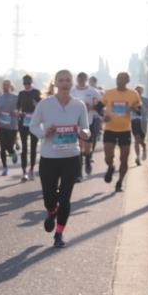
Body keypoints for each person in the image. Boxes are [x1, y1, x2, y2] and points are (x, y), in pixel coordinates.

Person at [29, 69, 91, 248]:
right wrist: (44, 133)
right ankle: (51, 210)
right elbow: (33, 126)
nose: (64, 83)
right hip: (49, 157)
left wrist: (83, 133)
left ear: (71, 84)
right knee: (49, 197)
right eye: (61, 80)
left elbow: (86, 129)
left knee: (65, 198)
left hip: (71, 157)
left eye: (67, 80)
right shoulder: (45, 104)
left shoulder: (79, 105)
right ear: (55, 83)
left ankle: (59, 234)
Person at [100, 72, 143, 192]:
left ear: (127, 81)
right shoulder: (109, 93)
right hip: (109, 129)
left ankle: (119, 182)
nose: (119, 81)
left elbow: (140, 110)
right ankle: (110, 166)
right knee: (109, 156)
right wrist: (103, 116)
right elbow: (98, 106)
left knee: (124, 158)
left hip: (125, 130)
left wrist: (133, 108)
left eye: (123, 79)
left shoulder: (133, 94)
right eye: (118, 78)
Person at [70, 72, 102, 178]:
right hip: (75, 123)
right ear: (77, 79)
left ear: (86, 79)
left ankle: (87, 159)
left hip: (89, 122)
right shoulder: (72, 91)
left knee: (87, 148)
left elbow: (100, 107)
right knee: (78, 147)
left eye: (83, 79)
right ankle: (78, 173)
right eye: (79, 79)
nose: (81, 81)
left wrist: (91, 108)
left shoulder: (93, 92)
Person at [16, 75, 42, 181]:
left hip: (34, 120)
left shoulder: (36, 92)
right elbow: (18, 106)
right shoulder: (21, 93)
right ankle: (24, 171)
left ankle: (31, 169)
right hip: (23, 121)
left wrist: (37, 107)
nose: (27, 85)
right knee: (24, 147)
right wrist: (18, 112)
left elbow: (40, 104)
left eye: (28, 83)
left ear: (31, 83)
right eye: (25, 84)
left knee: (33, 147)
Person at [0, 79, 20, 176]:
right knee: (2, 147)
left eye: (7, 85)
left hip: (12, 126)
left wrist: (17, 113)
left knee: (9, 147)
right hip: (1, 126)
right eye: (4, 85)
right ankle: (4, 167)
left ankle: (12, 153)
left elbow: (21, 111)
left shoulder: (16, 97)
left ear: (11, 86)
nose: (5, 87)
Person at [132, 84, 148, 165]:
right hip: (134, 121)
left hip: (143, 122)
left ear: (142, 92)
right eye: (137, 91)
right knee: (136, 140)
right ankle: (137, 157)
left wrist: (145, 111)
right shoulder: (131, 100)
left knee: (141, 140)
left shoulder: (146, 100)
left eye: (140, 91)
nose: (138, 92)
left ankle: (144, 147)